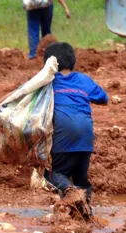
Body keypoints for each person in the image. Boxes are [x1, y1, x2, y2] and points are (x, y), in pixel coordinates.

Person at [43, 42, 109, 209]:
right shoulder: (83, 80)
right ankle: (86, 211)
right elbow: (103, 98)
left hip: (63, 135)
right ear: (73, 62)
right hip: (86, 138)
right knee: (81, 179)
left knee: (56, 174)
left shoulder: (47, 82)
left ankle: (69, 191)